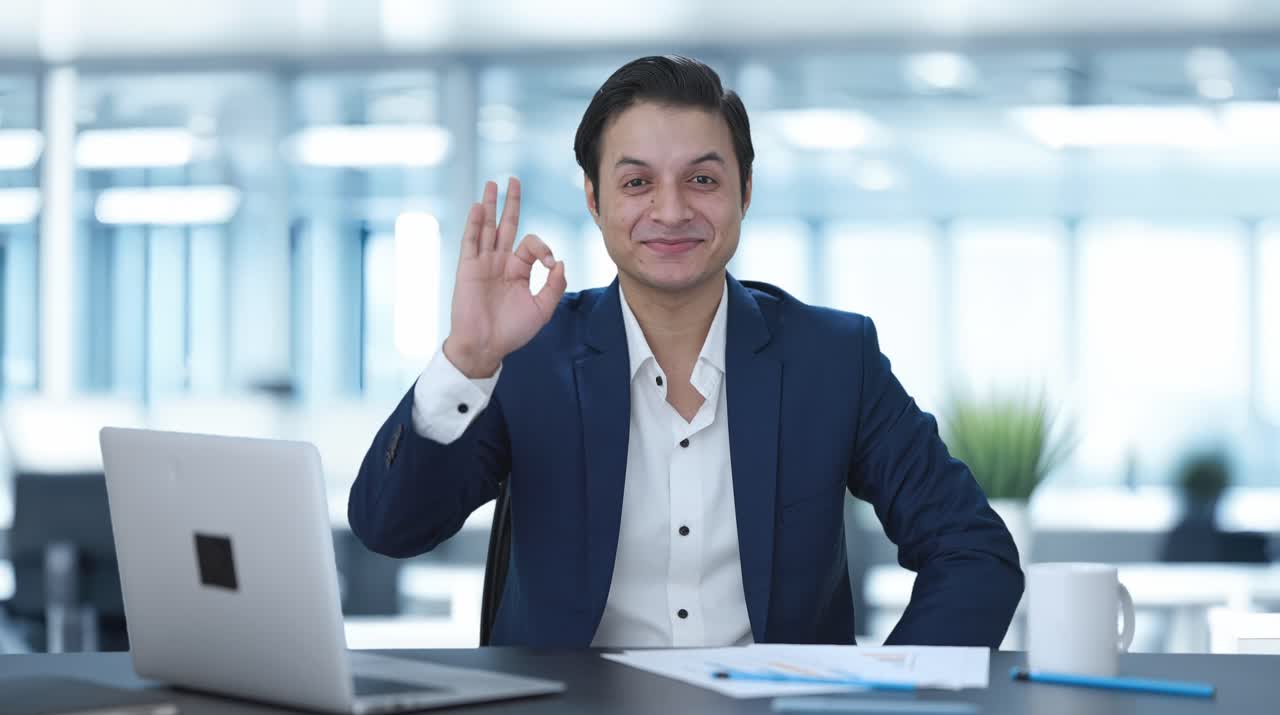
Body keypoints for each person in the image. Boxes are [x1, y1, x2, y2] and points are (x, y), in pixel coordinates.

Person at [348, 55, 1023, 648]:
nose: (670, 212)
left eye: (701, 180)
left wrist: (885, 696)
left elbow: (974, 553)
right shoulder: (528, 356)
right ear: (594, 200)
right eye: (637, 183)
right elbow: (390, 530)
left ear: (745, 192)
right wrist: (467, 360)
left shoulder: (833, 359)